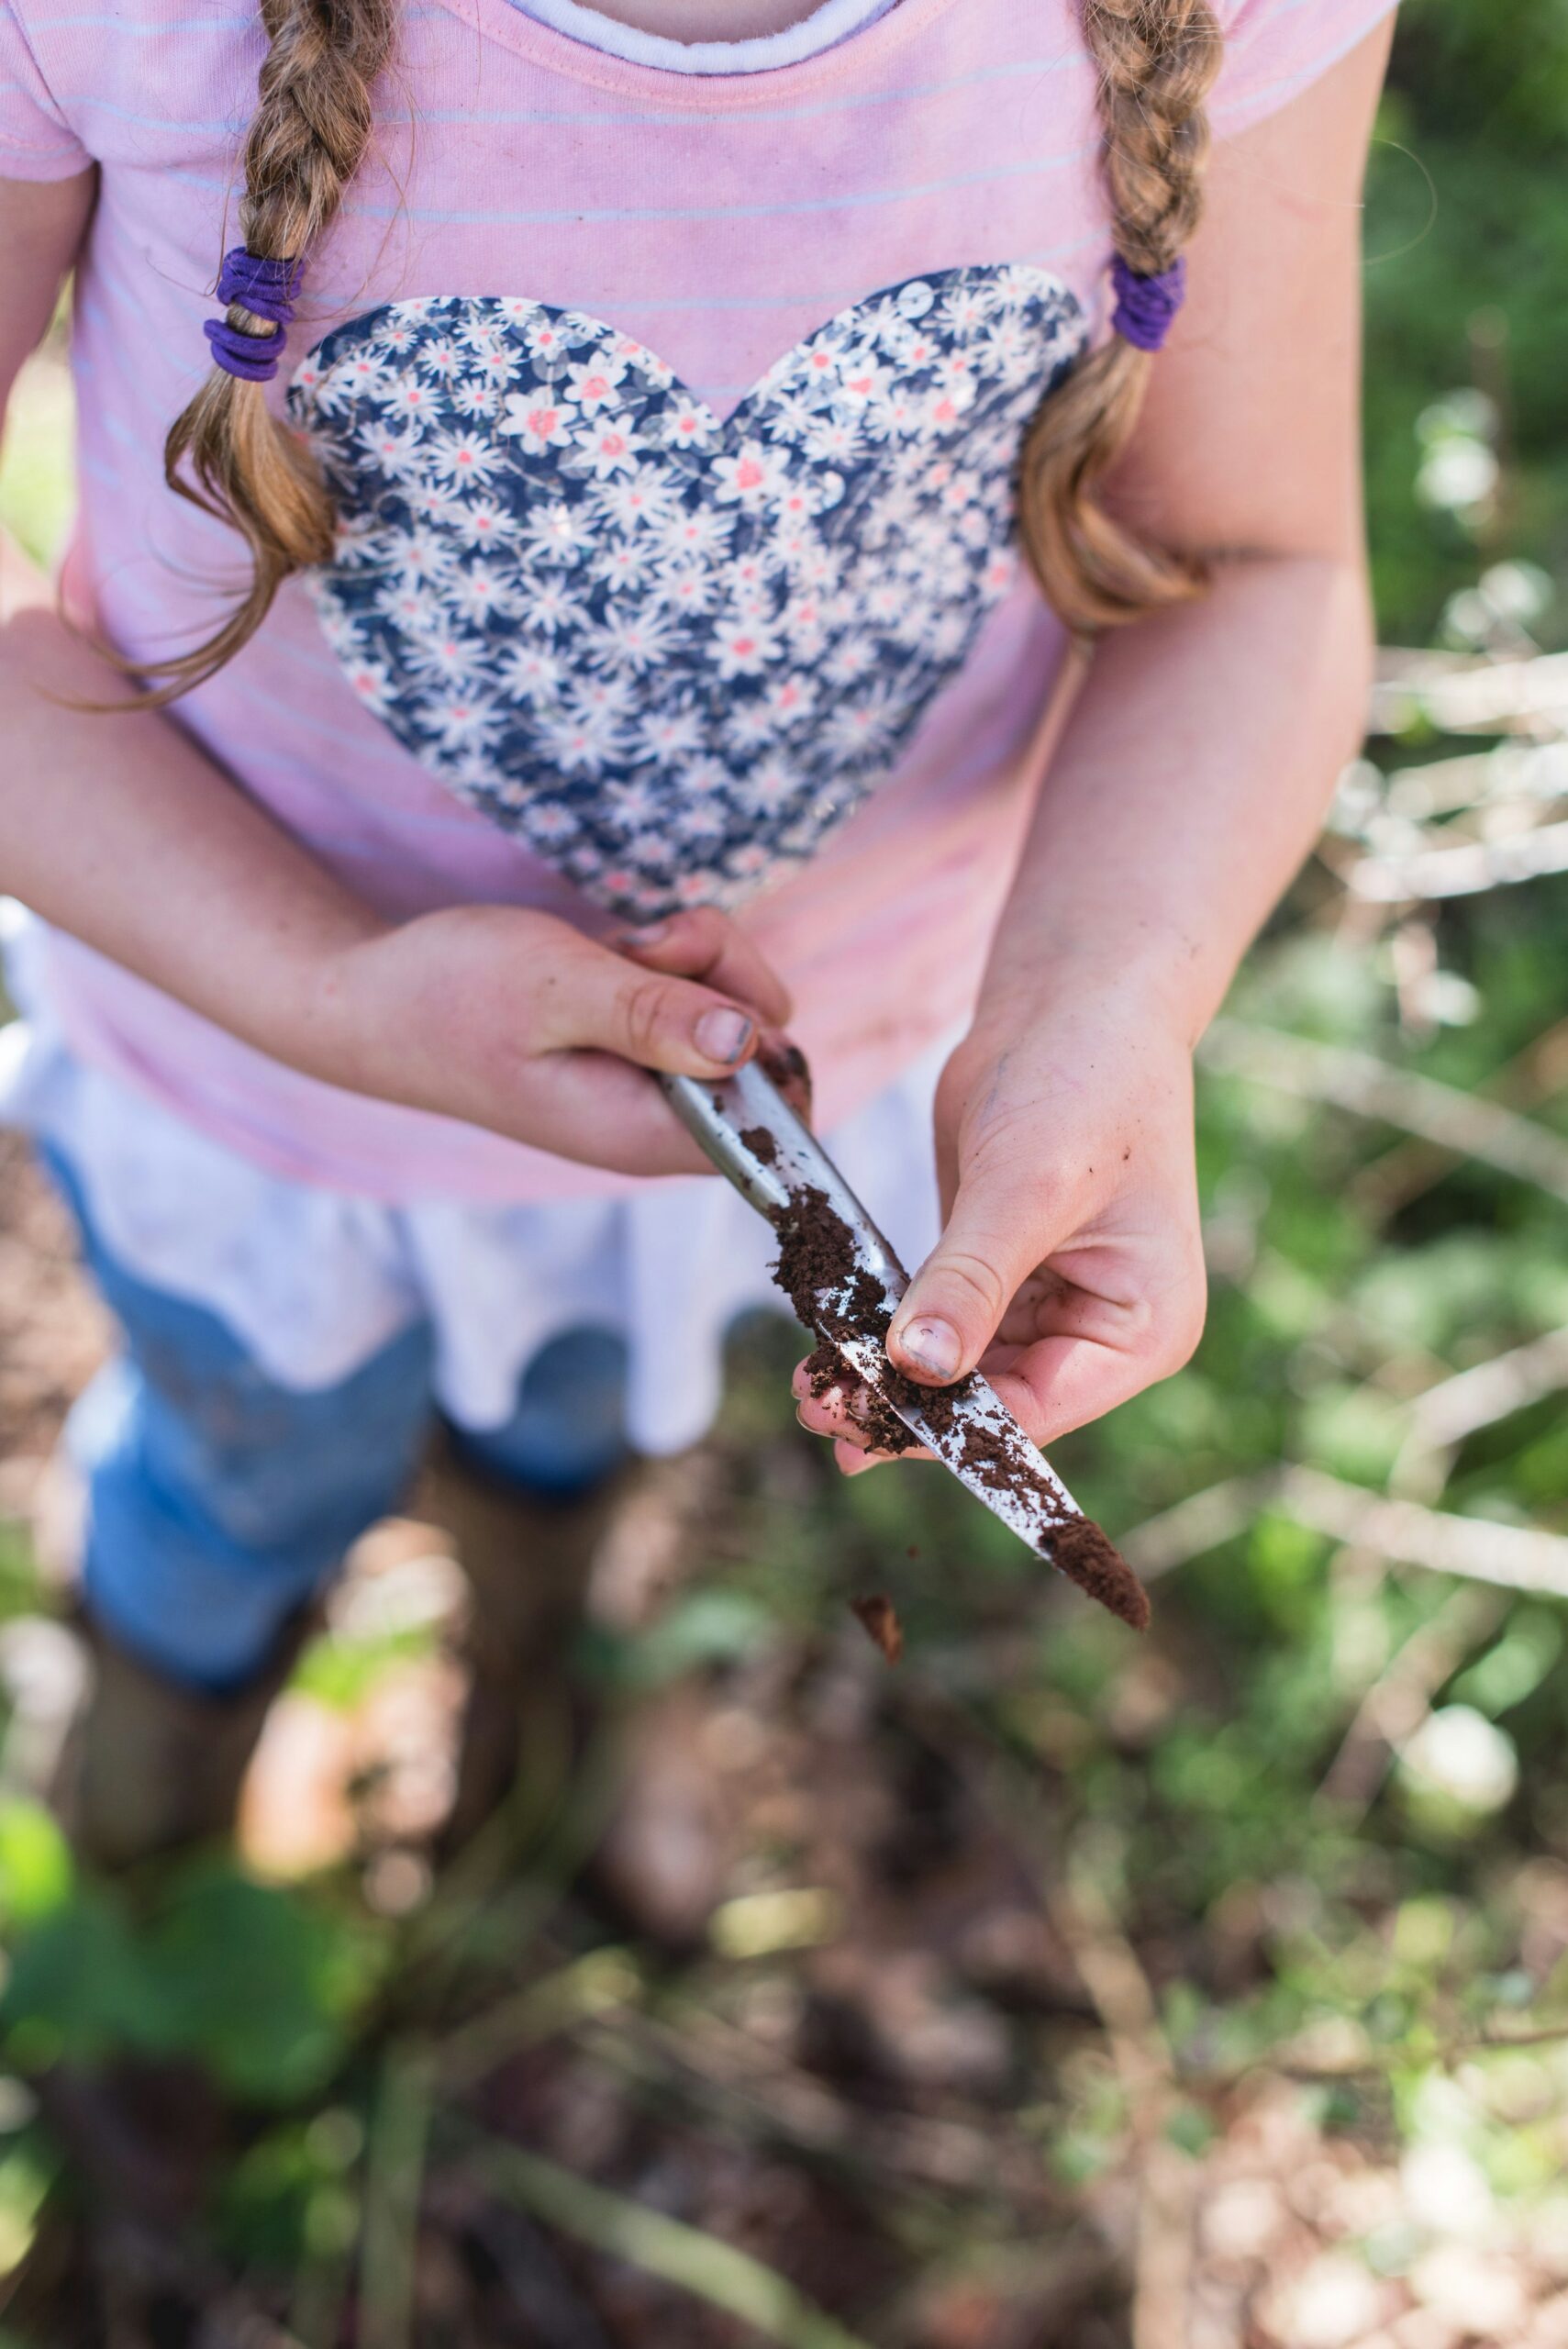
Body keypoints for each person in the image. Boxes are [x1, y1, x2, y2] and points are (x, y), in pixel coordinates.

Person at [0, 0, 1395, 1864]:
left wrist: (1102, 995)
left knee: (587, 1421)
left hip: (767, 1112)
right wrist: (324, 987)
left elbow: (1262, 563)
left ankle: (541, 1688)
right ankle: (147, 1868)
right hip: (252, 1081)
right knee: (249, 1462)